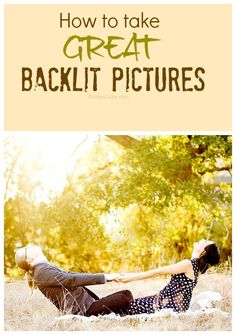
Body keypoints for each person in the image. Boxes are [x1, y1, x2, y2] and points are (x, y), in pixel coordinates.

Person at [15, 244, 133, 316]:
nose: (30, 246)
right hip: (84, 311)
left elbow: (72, 275)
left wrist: (106, 276)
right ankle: (133, 309)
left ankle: (132, 308)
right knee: (124, 297)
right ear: (29, 259)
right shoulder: (41, 272)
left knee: (125, 295)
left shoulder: (44, 267)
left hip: (89, 305)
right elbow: (71, 279)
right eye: (27, 249)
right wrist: (106, 277)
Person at [115, 239, 220, 314]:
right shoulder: (196, 268)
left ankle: (100, 309)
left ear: (203, 252)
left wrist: (130, 278)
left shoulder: (188, 264)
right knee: (126, 300)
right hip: (173, 305)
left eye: (205, 242)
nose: (202, 239)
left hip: (165, 305)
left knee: (127, 305)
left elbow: (158, 272)